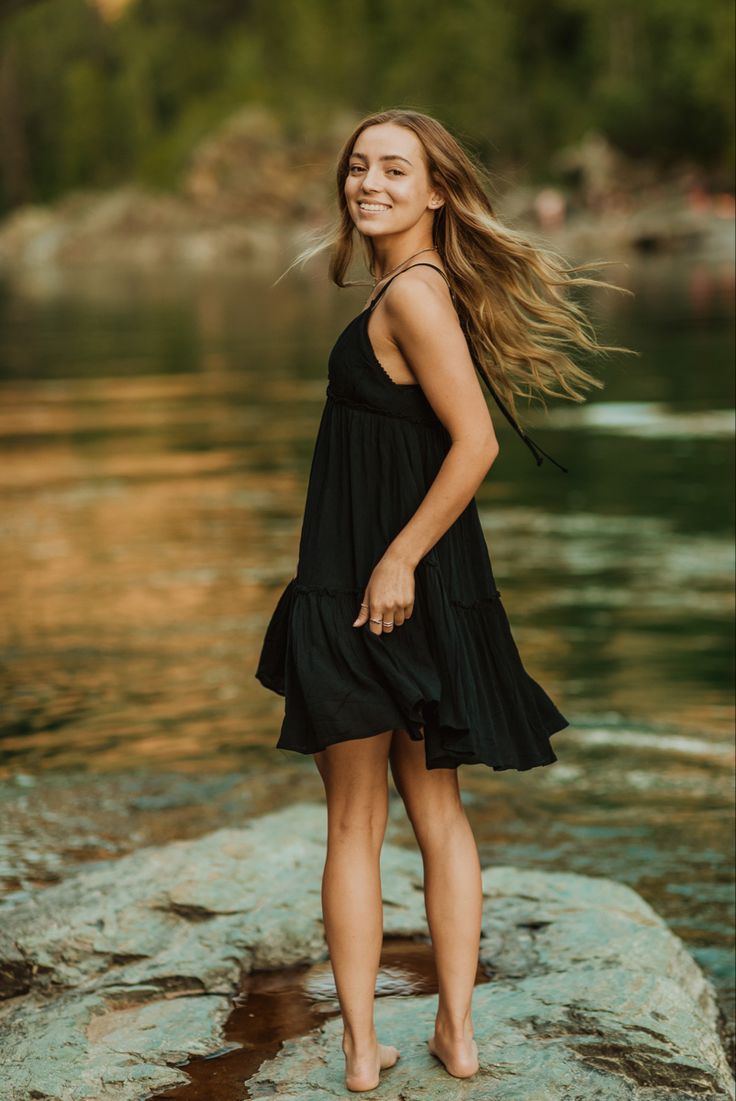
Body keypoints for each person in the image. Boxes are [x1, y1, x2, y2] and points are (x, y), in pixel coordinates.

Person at [255, 108, 632, 1093]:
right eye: (356, 167)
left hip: (372, 582)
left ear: (435, 191)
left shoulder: (413, 297)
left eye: (392, 169)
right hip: (417, 583)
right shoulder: (413, 290)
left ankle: (362, 1053)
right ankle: (452, 1039)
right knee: (436, 811)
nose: (366, 183)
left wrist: (394, 562)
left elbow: (477, 444)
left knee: (357, 825)